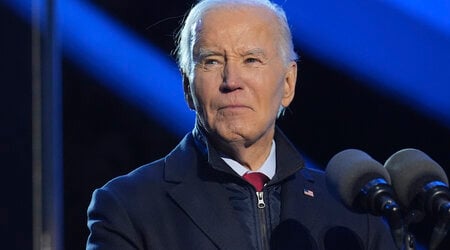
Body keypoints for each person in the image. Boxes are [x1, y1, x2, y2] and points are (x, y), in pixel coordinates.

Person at [86, 0, 398, 249]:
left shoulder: (353, 214)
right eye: (211, 61)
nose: (231, 81)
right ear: (187, 88)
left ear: (288, 83)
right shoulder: (128, 208)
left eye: (251, 59)